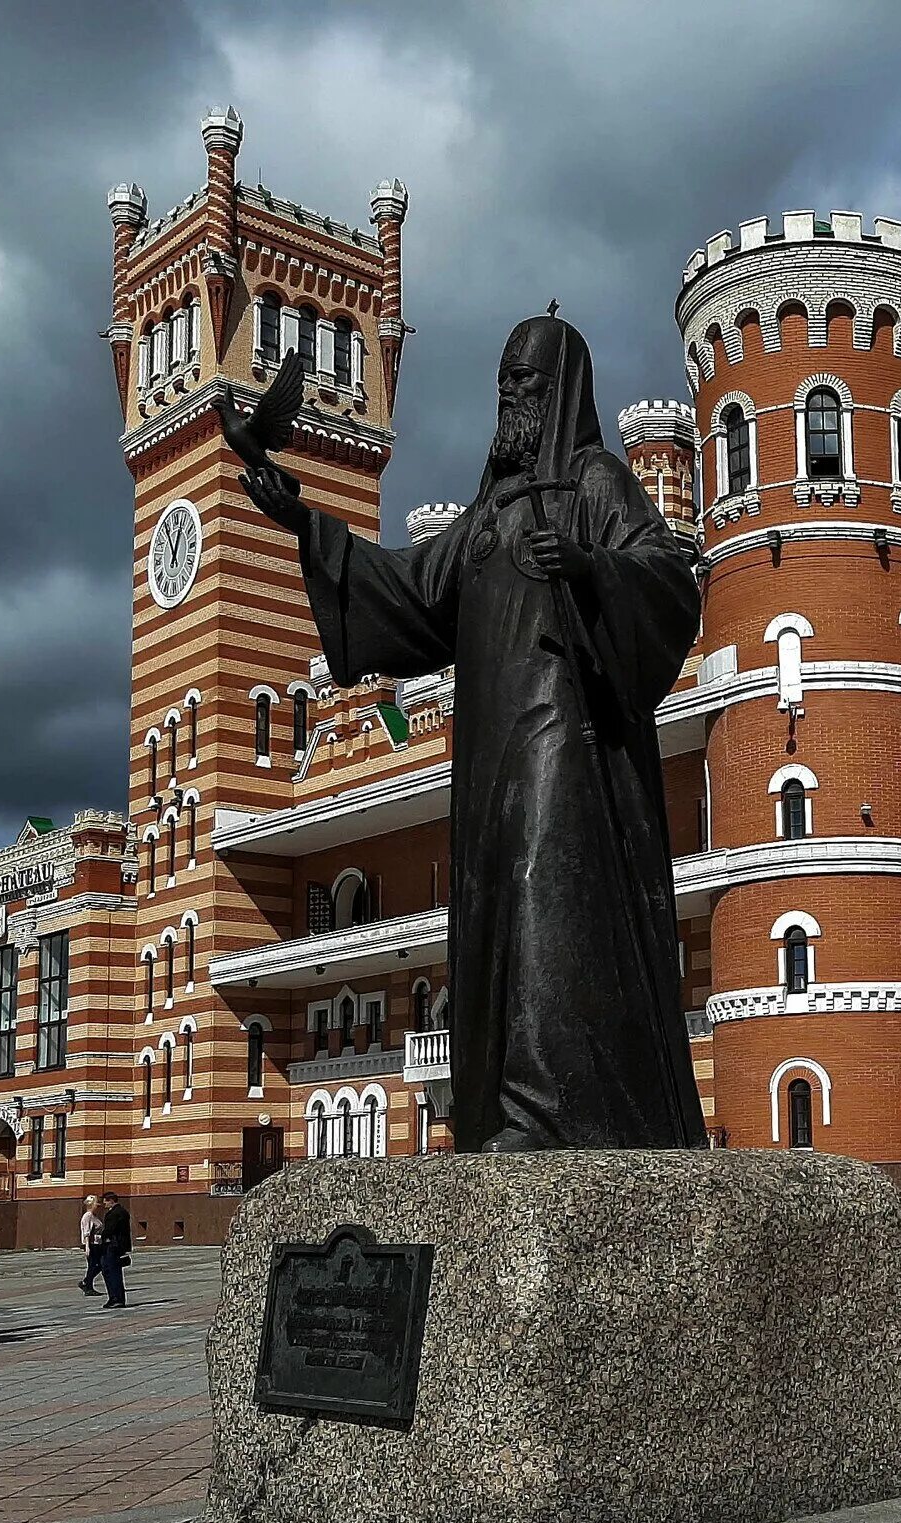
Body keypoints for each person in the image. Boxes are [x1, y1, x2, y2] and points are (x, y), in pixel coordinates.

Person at [233, 313, 703, 1153]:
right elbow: (413, 590)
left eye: (526, 382)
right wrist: (303, 524)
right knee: (491, 909)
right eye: (503, 382)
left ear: (560, 392)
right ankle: (496, 1107)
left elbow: (667, 579)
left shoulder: (595, 481)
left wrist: (594, 567)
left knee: (544, 896)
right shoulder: (489, 514)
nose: (510, 397)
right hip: (489, 750)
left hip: (567, 739)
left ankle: (547, 1110)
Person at [99, 1193, 131, 1308]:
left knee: (112, 1272)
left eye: (105, 1201)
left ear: (111, 1201)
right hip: (119, 1246)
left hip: (112, 1246)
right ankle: (116, 1297)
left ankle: (116, 1298)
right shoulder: (123, 1211)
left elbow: (110, 1230)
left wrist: (101, 1237)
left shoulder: (115, 1213)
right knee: (112, 1272)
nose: (104, 1204)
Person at [78, 1197, 105, 1295]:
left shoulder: (94, 1216)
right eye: (97, 1203)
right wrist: (87, 1247)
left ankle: (87, 1283)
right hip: (92, 1245)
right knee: (94, 1265)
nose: (98, 1205)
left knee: (98, 1265)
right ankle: (87, 1285)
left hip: (98, 1244)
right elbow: (87, 1232)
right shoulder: (88, 1216)